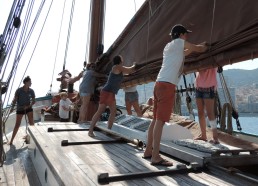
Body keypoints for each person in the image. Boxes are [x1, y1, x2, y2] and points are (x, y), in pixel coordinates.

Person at [142, 24, 207, 166]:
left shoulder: (169, 46)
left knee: (154, 120)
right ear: (181, 34)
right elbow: (198, 49)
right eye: (186, 34)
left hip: (159, 84)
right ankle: (155, 156)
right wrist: (205, 46)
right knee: (160, 121)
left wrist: (195, 47)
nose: (187, 36)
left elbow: (186, 52)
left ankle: (148, 150)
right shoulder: (179, 43)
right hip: (167, 86)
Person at [88, 55, 135, 137]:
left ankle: (108, 130)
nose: (123, 61)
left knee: (113, 112)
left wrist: (133, 67)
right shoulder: (117, 67)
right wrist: (135, 65)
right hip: (107, 92)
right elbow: (130, 70)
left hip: (110, 93)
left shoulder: (118, 68)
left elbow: (128, 72)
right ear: (120, 60)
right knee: (100, 111)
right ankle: (90, 130)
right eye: (122, 59)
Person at [8, 76, 35, 145]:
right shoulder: (19, 90)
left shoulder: (31, 91)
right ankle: (11, 140)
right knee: (17, 124)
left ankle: (32, 138)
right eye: (29, 82)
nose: (31, 83)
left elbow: (34, 101)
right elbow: (14, 100)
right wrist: (12, 108)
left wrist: (28, 106)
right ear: (25, 82)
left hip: (28, 108)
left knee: (31, 123)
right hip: (20, 108)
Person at [195, 68, 219, 144]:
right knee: (200, 113)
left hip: (209, 88)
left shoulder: (212, 59)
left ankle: (215, 137)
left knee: (210, 113)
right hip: (198, 87)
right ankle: (203, 135)